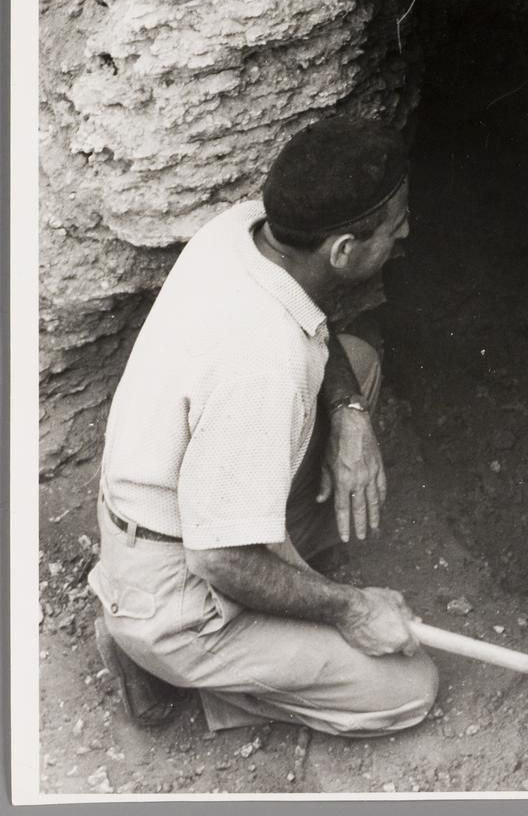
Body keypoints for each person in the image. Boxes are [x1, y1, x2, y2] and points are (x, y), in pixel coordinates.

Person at [88, 116, 439, 737]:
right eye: (397, 223)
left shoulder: (244, 230)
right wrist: (353, 610)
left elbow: (314, 324)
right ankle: (167, 665)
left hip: (170, 503)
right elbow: (220, 559)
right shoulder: (262, 364)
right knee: (406, 689)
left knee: (355, 364)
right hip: (176, 587)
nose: (407, 230)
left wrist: (349, 412)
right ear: (343, 252)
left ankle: (274, 607)